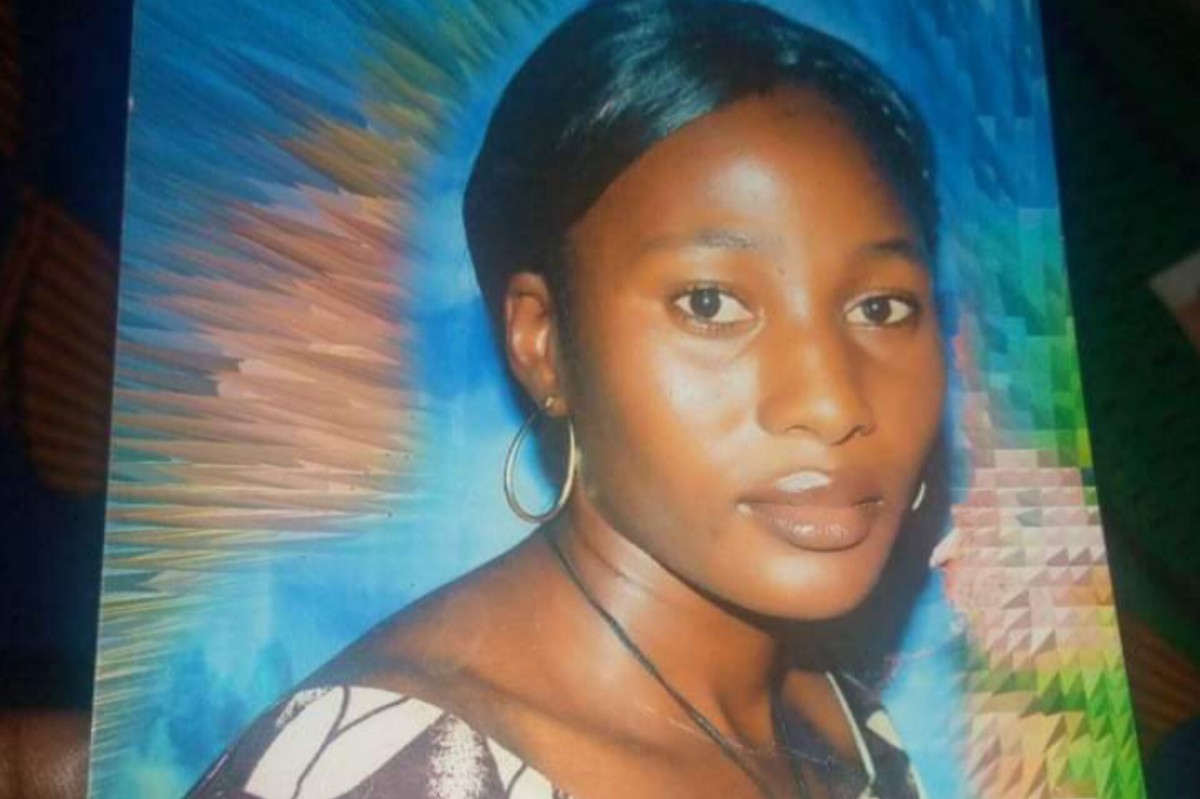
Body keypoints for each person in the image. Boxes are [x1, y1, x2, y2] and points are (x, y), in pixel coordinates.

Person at [186, 1, 947, 797]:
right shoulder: (392, 773)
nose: (831, 402)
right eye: (711, 303)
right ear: (543, 341)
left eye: (881, 306)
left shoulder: (843, 726)